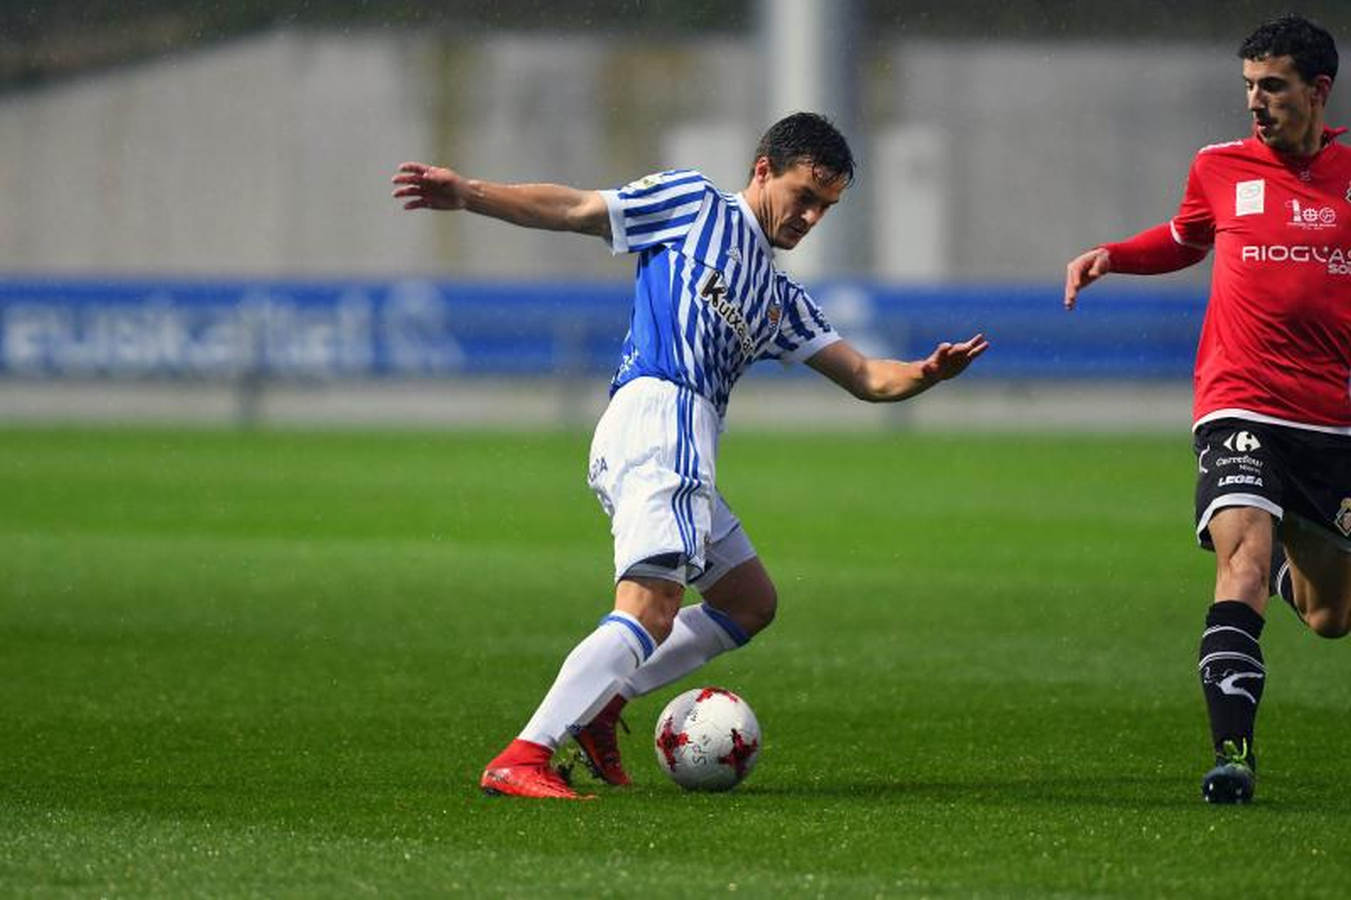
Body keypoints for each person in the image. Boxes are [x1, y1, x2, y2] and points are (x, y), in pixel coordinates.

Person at [393, 111, 987, 800]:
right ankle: (524, 754)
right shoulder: (692, 204)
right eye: (803, 196)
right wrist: (468, 192)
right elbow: (577, 208)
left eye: (824, 207)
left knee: (747, 599)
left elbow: (864, 376)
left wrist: (925, 372)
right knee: (651, 605)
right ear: (762, 169)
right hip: (660, 415)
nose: (810, 217)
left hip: (682, 436)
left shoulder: (777, 295)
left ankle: (602, 706)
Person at [1064, 15, 1351, 804]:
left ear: (1317, 90)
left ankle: (1304, 562)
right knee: (1242, 563)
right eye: (1248, 87)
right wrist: (1114, 255)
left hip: (1331, 422)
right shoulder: (1219, 166)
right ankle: (1233, 754)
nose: (1255, 102)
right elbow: (1189, 238)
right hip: (1239, 402)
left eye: (1273, 87)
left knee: (1330, 617)